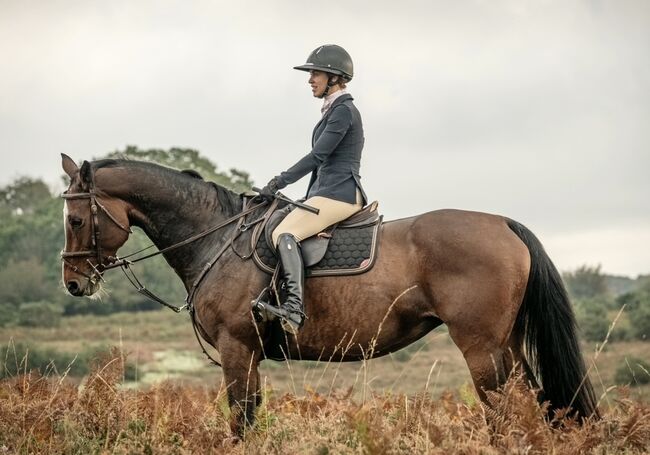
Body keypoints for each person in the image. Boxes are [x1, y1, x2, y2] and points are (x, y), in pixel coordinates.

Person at [260, 44, 368, 333]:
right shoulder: (334, 110)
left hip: (340, 194)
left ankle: (294, 309)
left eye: (315, 74)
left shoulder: (344, 111)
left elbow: (318, 157)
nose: (310, 80)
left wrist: (278, 182)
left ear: (333, 77)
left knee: (286, 233)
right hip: (325, 191)